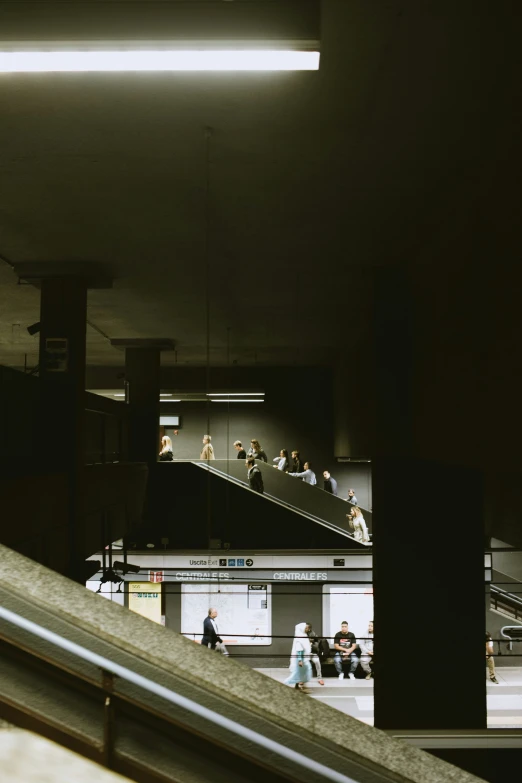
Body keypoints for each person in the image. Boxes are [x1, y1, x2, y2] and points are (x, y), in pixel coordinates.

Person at [284, 622, 312, 692]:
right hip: (301, 659)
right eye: (306, 628)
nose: (307, 630)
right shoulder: (300, 638)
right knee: (302, 672)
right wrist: (300, 660)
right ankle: (301, 686)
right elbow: (299, 650)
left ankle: (299, 686)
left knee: (300, 672)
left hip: (303, 659)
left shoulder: (303, 636)